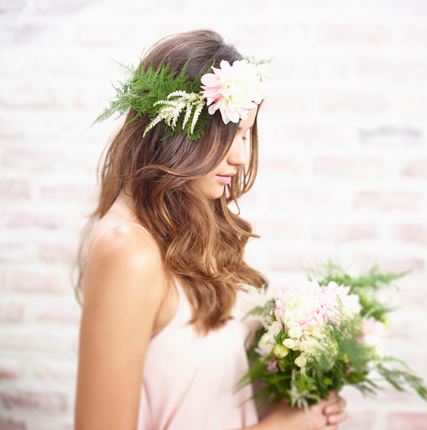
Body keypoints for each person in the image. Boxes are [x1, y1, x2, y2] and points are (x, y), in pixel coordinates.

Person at [74, 30, 348, 430]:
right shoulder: (128, 251)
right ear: (177, 130)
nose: (240, 157)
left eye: (244, 135)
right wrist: (285, 426)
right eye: (228, 135)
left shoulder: (183, 231)